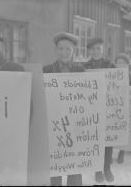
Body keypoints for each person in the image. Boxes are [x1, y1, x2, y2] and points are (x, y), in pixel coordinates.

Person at [43, 32, 84, 186]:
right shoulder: (47, 69)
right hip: (53, 124)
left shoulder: (80, 70)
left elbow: (87, 99)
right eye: (60, 49)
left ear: (73, 51)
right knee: (55, 163)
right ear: (56, 50)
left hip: (75, 124)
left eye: (68, 49)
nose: (64, 52)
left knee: (74, 164)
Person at [82, 37, 115, 183]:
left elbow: (118, 85)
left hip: (109, 107)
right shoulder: (84, 67)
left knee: (107, 140)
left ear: (102, 48)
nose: (95, 51)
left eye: (98, 48)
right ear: (89, 51)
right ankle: (97, 170)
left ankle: (107, 168)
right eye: (92, 49)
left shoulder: (111, 66)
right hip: (91, 109)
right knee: (94, 139)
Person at [114, 53, 131, 163]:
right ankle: (109, 154)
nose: (120, 64)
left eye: (123, 63)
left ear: (127, 64)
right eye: (118, 62)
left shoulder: (130, 76)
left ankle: (121, 153)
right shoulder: (111, 75)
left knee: (124, 131)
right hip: (113, 107)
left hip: (126, 107)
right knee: (112, 130)